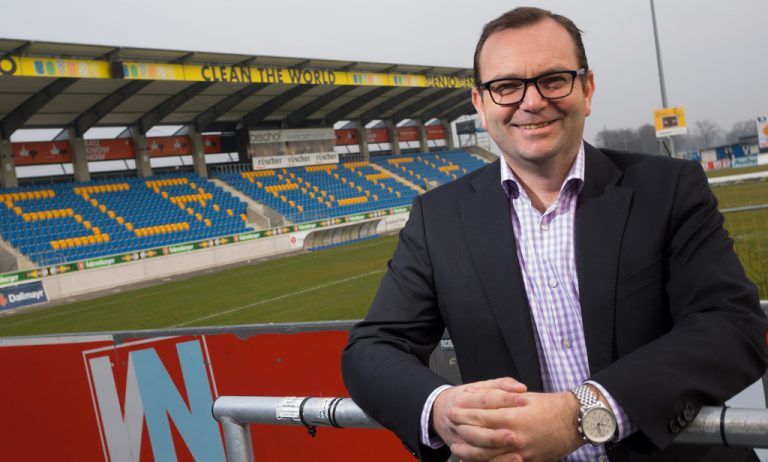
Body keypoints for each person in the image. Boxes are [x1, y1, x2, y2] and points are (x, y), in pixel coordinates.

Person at [341, 7, 768, 462]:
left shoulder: (668, 188)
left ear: (587, 89)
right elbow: (372, 347)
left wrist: (582, 413)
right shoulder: (437, 217)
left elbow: (731, 325)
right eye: (506, 86)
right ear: (480, 104)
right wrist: (441, 410)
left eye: (554, 79)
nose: (531, 101)